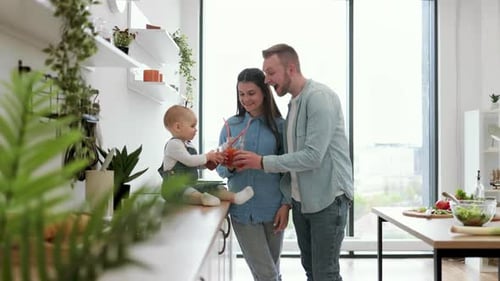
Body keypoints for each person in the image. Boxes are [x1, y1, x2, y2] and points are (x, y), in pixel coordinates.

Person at [233, 44, 354, 281]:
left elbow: (312, 156)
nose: (267, 80)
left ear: (291, 69)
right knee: (312, 270)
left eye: (271, 73)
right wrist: (289, 202)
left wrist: (261, 162)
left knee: (325, 274)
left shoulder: (319, 97)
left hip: (328, 199)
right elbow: (292, 162)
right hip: (303, 202)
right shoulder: (294, 105)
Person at [216, 68, 289, 281]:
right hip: (242, 212)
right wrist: (230, 167)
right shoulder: (230, 126)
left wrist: (286, 205)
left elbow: (288, 169)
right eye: (241, 94)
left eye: (251, 93)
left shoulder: (280, 126)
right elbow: (220, 168)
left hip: (274, 209)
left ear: (264, 93)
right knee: (267, 274)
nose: (246, 99)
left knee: (270, 271)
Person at [160, 105, 254, 206]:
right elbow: (189, 161)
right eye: (192, 126)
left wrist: (209, 162)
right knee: (187, 191)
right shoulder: (173, 144)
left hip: (190, 184)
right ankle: (203, 198)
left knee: (209, 187)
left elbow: (195, 164)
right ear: (178, 127)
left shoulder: (187, 144)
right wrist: (207, 156)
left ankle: (234, 197)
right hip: (173, 188)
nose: (196, 130)